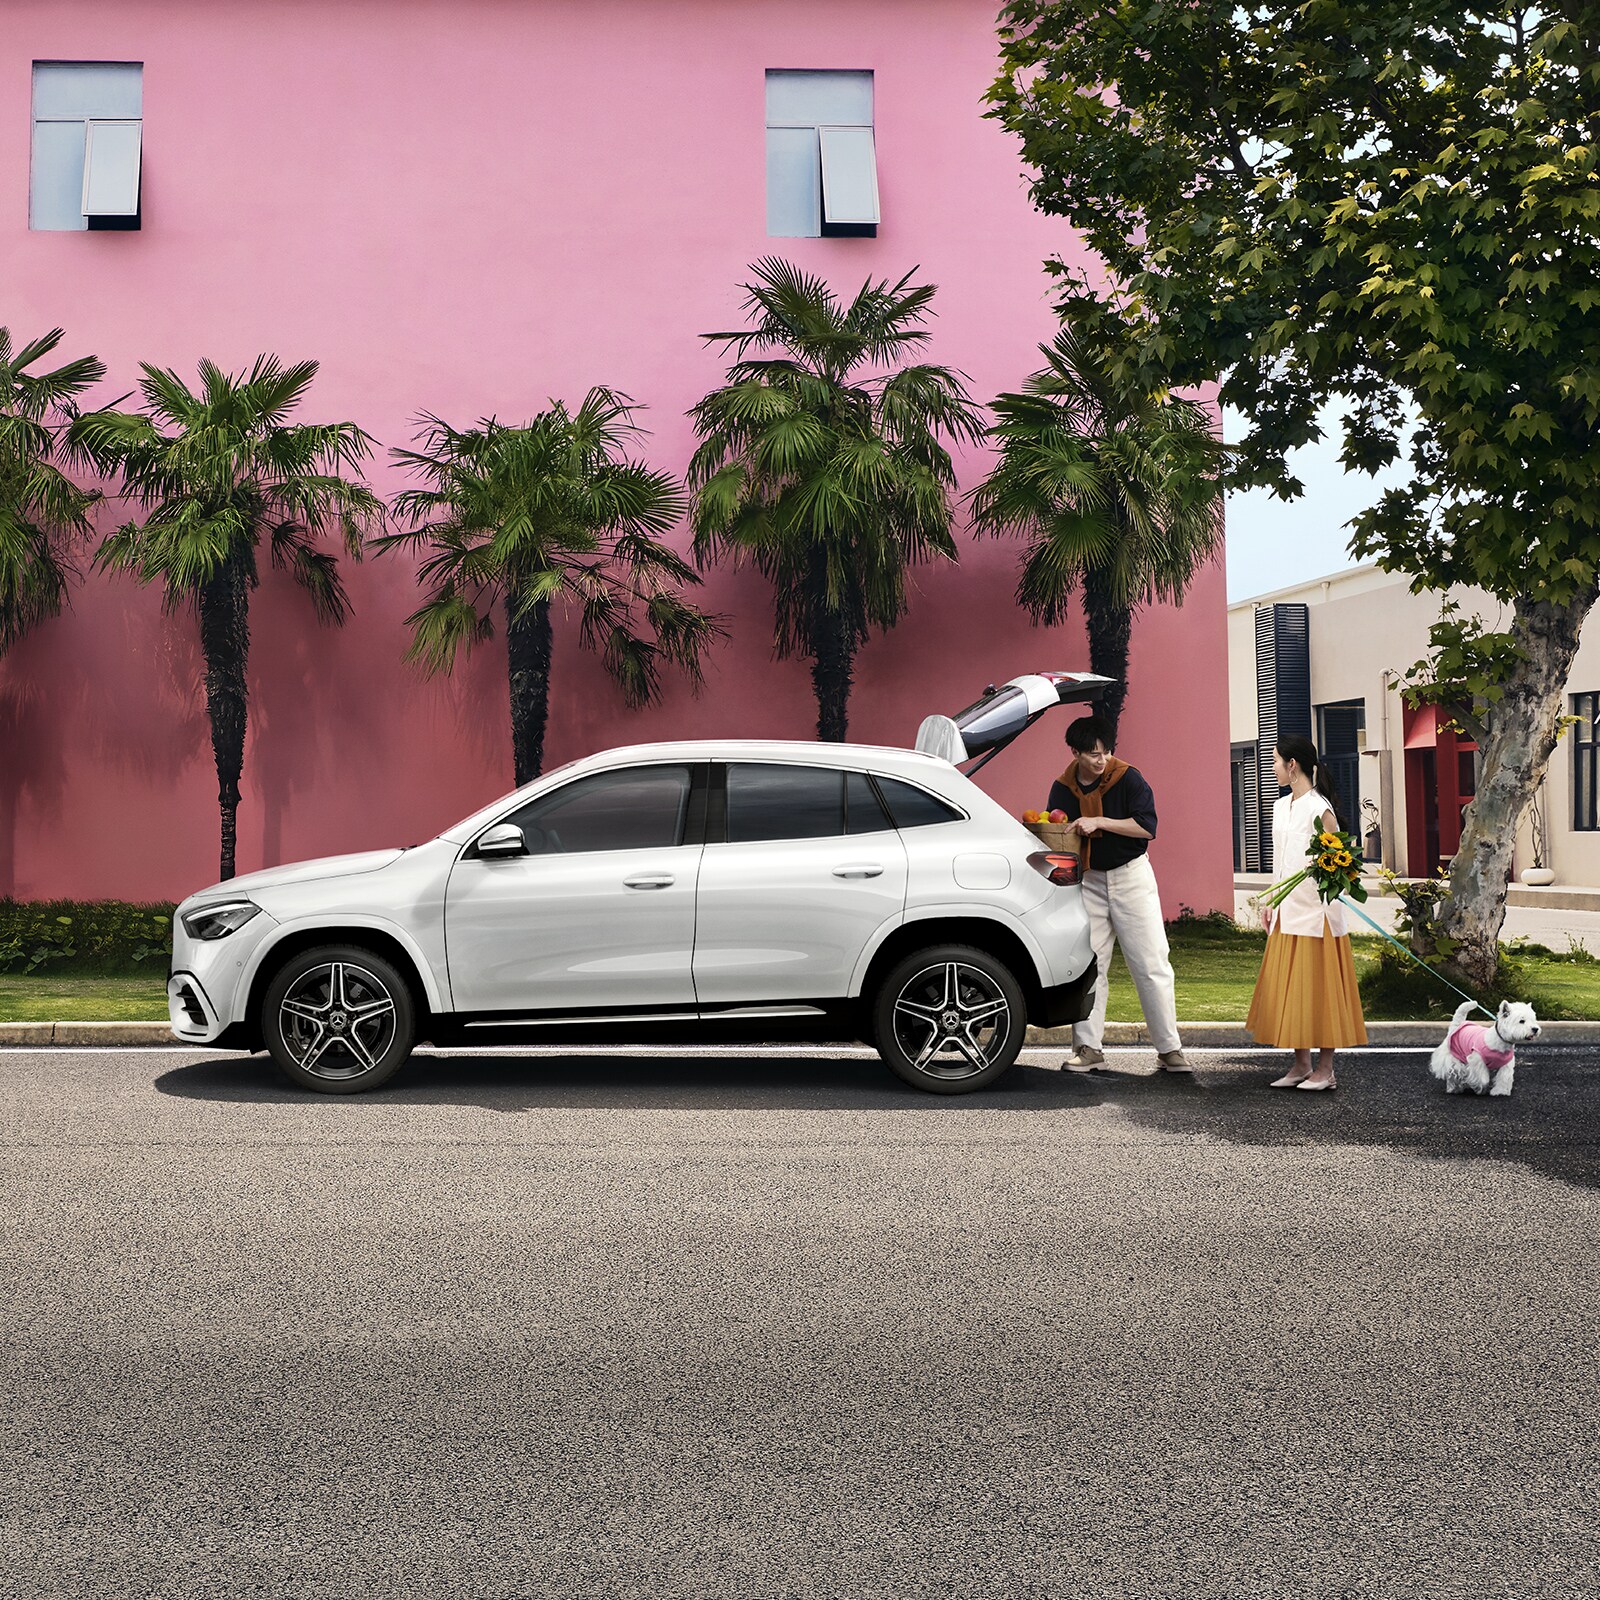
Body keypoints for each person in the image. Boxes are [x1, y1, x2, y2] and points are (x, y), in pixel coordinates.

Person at [1049, 715, 1189, 1074]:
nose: (1102, 760)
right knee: (1089, 967)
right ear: (1076, 752)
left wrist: (1100, 822)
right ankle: (1088, 1048)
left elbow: (1146, 826)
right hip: (1089, 882)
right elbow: (1055, 833)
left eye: (1106, 752)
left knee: (1151, 964)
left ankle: (1170, 1049)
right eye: (1094, 754)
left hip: (1131, 877)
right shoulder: (1062, 788)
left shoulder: (1128, 778)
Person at [1246, 734, 1368, 1089]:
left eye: (1275, 762)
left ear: (1292, 765)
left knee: (1321, 990)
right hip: (1286, 912)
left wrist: (1328, 875)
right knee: (1293, 989)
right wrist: (1270, 901)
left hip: (1318, 917)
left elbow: (1341, 869)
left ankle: (1325, 1069)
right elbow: (1279, 863)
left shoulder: (1321, 809)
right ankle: (1301, 1065)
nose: (1273, 768)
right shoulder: (1281, 806)